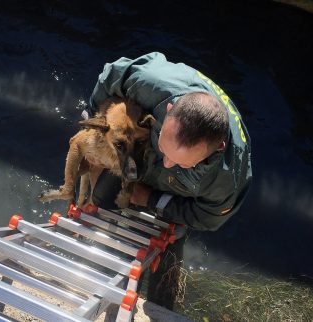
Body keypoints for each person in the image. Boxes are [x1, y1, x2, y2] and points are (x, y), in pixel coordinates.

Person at [85, 52, 252, 310]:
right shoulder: (150, 83)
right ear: (169, 110)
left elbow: (207, 216)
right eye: (166, 146)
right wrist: (95, 134)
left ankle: (160, 304)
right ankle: (96, 273)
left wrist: (151, 199)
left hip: (181, 193)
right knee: (100, 203)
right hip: (141, 151)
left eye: (182, 161)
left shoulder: (226, 179)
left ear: (217, 149)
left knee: (170, 248)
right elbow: (112, 75)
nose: (167, 162)